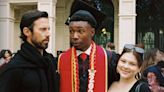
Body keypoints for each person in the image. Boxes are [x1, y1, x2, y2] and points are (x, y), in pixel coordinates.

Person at [57, 0, 117, 92]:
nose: (74, 36)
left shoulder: (108, 59)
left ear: (92, 32)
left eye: (80, 31)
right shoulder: (61, 60)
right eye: (71, 31)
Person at [0, 10, 59, 92]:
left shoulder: (50, 61)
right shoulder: (14, 68)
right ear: (27, 32)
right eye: (43, 29)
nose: (48, 33)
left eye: (48, 29)